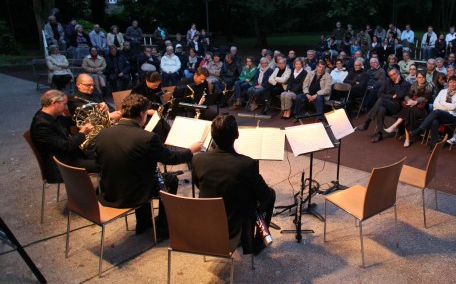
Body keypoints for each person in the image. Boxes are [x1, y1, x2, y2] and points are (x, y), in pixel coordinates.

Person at [95, 94, 202, 238]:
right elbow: (170, 158)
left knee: (139, 173)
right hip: (132, 195)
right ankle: (164, 230)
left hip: (109, 191)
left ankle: (143, 223)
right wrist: (191, 150)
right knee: (170, 180)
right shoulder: (147, 137)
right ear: (141, 113)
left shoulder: (103, 133)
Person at [192, 115, 276, 255]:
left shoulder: (198, 159)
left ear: (212, 136)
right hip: (235, 226)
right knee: (270, 193)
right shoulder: (247, 164)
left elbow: (199, 185)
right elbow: (265, 195)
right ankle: (256, 242)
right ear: (237, 135)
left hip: (208, 223)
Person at [30, 90, 96, 182]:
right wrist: (82, 133)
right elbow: (66, 146)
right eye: (64, 104)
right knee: (108, 163)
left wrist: (95, 112)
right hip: (63, 165)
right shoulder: (41, 125)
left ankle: (106, 188)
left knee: (105, 153)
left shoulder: (51, 115)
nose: (65, 107)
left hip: (71, 155)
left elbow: (71, 120)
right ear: (54, 103)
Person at [356, 67, 410, 143]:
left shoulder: (405, 84)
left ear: (398, 72)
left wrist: (397, 83)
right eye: (391, 75)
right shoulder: (387, 82)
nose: (393, 77)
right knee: (381, 108)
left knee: (381, 101)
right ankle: (379, 134)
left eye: (394, 74)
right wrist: (391, 96)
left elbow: (400, 95)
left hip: (397, 107)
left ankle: (367, 122)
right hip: (386, 104)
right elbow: (379, 94)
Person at [383, 72, 433, 147]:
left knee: (408, 110)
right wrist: (409, 100)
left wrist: (415, 101)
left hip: (422, 110)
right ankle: (406, 138)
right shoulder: (413, 86)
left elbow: (426, 97)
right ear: (416, 78)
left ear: (425, 78)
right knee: (408, 113)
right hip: (411, 108)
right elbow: (407, 95)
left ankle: (395, 126)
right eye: (419, 77)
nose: (421, 79)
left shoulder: (429, 87)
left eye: (423, 77)